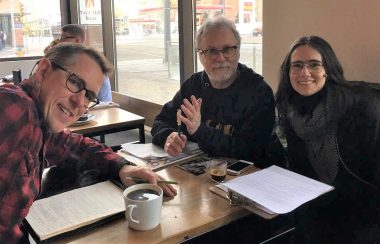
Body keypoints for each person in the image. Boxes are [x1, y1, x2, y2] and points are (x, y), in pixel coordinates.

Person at [0, 43, 177, 243]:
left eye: (89, 96)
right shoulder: (14, 108)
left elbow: (76, 145)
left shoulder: (40, 122)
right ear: (43, 71)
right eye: (74, 82)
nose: (79, 103)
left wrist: (122, 167)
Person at [276, 35, 380, 243]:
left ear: (327, 69)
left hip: (364, 214)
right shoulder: (292, 112)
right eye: (296, 66)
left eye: (314, 64)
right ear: (288, 73)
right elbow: (301, 173)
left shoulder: (360, 108)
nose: (304, 73)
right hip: (320, 207)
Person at [151, 16, 283, 165]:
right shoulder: (193, 87)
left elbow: (251, 150)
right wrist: (168, 136)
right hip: (202, 176)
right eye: (212, 51)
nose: (220, 58)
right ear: (200, 56)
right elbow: (161, 121)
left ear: (238, 51)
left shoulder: (258, 92)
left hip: (251, 178)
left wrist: (199, 131)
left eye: (227, 49)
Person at [44, 24, 112, 102]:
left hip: (99, 108)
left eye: (63, 37)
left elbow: (105, 101)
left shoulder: (91, 63)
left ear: (77, 41)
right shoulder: (69, 60)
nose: (60, 41)